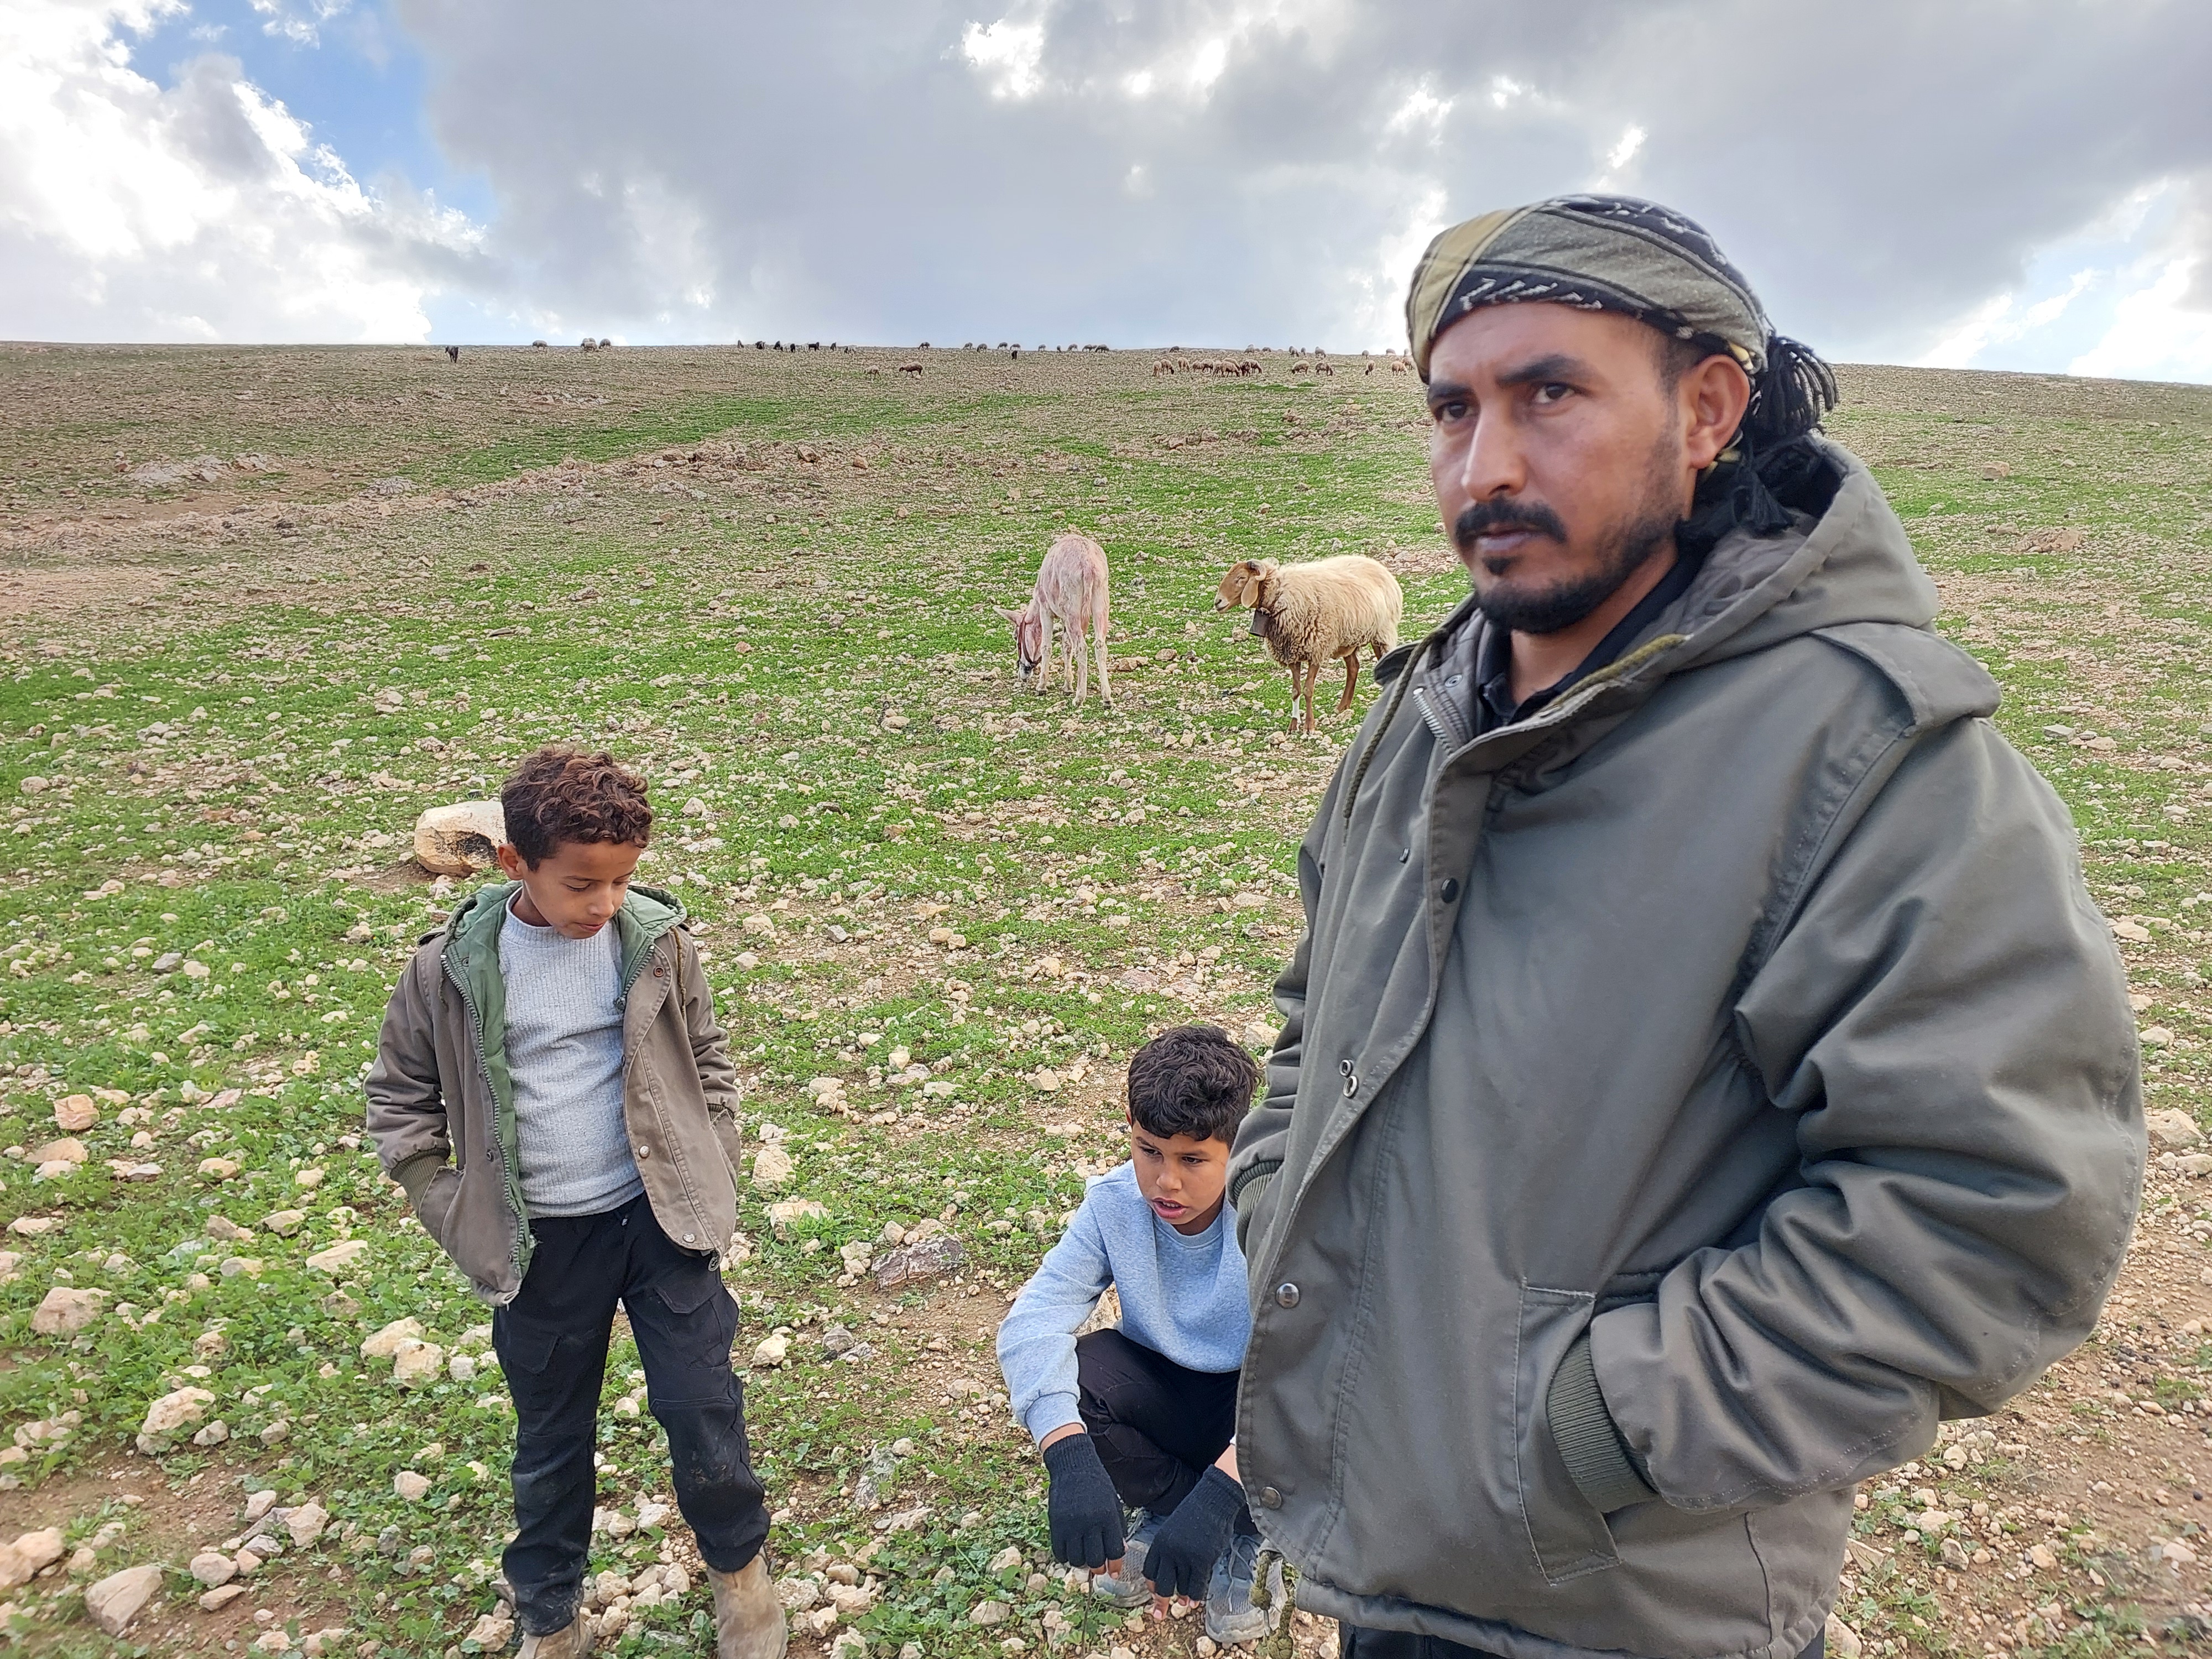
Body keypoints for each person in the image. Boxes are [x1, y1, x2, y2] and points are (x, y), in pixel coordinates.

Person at [1224, 195, 2145, 1659]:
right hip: (1384, 1567)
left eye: (1550, 395)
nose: (1487, 464)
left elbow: (1997, 1203)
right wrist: (1274, 1217)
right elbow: (1308, 1015)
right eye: (1453, 409)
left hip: (1623, 1604)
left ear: (1708, 406)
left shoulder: (1864, 755)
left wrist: (1590, 1432)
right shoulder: (1415, 717)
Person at [366, 745, 784, 1659]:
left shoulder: (656, 940)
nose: (604, 906)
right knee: (552, 1438)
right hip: (539, 1243)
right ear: (515, 863)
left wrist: (715, 1157)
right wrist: (450, 1204)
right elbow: (400, 1100)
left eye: (623, 881)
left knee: (701, 1401)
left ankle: (741, 1575)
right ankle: (549, 1615)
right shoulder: (448, 970)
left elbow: (708, 1060)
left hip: (662, 1223)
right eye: (582, 886)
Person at [997, 1024, 1278, 1645]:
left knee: (1323, 1402)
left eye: (1193, 1160)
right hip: (1171, 1390)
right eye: (1148, 1150)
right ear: (1128, 1122)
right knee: (1082, 1374)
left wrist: (1225, 1490)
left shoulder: (1276, 1215)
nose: (1165, 1182)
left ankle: (1254, 1533)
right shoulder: (1113, 1203)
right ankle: (1183, 1511)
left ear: (1240, 1145)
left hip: (1263, 1398)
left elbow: (1312, 1374)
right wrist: (1067, 1457)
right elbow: (1032, 1321)